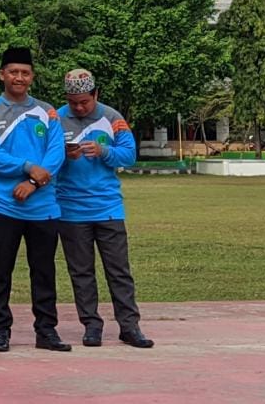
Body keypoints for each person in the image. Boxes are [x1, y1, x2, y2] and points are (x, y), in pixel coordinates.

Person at [0, 46, 70, 353]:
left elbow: (56, 153)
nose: (19, 78)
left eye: (25, 73)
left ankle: (47, 330)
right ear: (2, 75)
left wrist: (32, 182)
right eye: (13, 72)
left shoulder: (48, 111)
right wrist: (28, 167)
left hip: (43, 208)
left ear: (32, 77)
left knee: (43, 272)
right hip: (2, 205)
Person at [56, 69, 154, 349]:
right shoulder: (55, 118)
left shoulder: (112, 118)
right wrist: (63, 155)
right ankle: (91, 325)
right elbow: (45, 157)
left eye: (84, 102)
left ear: (96, 94)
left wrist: (104, 152)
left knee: (118, 270)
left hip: (108, 207)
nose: (78, 108)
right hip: (70, 209)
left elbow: (129, 155)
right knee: (81, 272)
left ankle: (129, 326)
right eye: (73, 102)